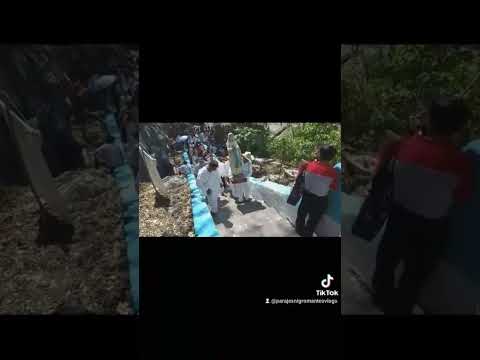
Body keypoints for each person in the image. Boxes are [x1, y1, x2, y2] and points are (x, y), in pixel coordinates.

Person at [372, 96, 473, 314]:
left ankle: (381, 297)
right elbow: (461, 196)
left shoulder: (402, 146)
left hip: (398, 217)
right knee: (415, 274)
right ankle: (400, 307)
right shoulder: (461, 161)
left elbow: (380, 172)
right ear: (459, 127)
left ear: (428, 120)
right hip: (432, 227)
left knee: (386, 260)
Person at [295, 145, 338, 237]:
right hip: (320, 201)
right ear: (332, 157)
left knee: (301, 216)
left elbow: (300, 175)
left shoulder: (309, 165)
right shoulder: (333, 172)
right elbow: (333, 187)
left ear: (319, 155)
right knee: (313, 221)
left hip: (306, 197)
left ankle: (298, 231)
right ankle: (307, 234)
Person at [226, 133, 245, 200]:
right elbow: (228, 150)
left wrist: (237, 148)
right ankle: (235, 173)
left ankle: (239, 172)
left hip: (237, 155)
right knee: (234, 165)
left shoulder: (235, 141)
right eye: (230, 136)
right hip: (232, 157)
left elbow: (238, 148)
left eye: (232, 136)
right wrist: (232, 149)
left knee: (239, 165)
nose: (231, 137)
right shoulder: (228, 142)